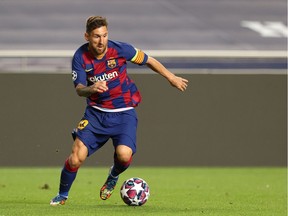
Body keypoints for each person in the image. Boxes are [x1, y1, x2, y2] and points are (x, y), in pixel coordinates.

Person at [50, 16, 188, 206]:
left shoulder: (121, 49)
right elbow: (79, 89)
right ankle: (62, 195)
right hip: (96, 114)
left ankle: (113, 175)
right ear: (87, 36)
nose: (101, 41)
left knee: (124, 155)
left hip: (124, 112)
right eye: (97, 36)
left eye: (105, 35)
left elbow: (148, 60)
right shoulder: (80, 57)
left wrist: (170, 77)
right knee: (76, 158)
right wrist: (92, 88)